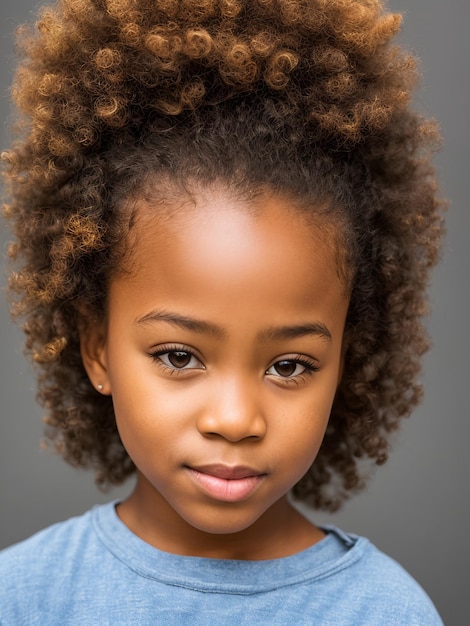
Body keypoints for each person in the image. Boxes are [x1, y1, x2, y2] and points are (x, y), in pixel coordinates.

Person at [0, 0, 445, 623]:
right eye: (179, 356)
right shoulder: (23, 597)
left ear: (348, 357)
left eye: (289, 365)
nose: (235, 420)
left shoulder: (381, 612)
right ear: (96, 346)